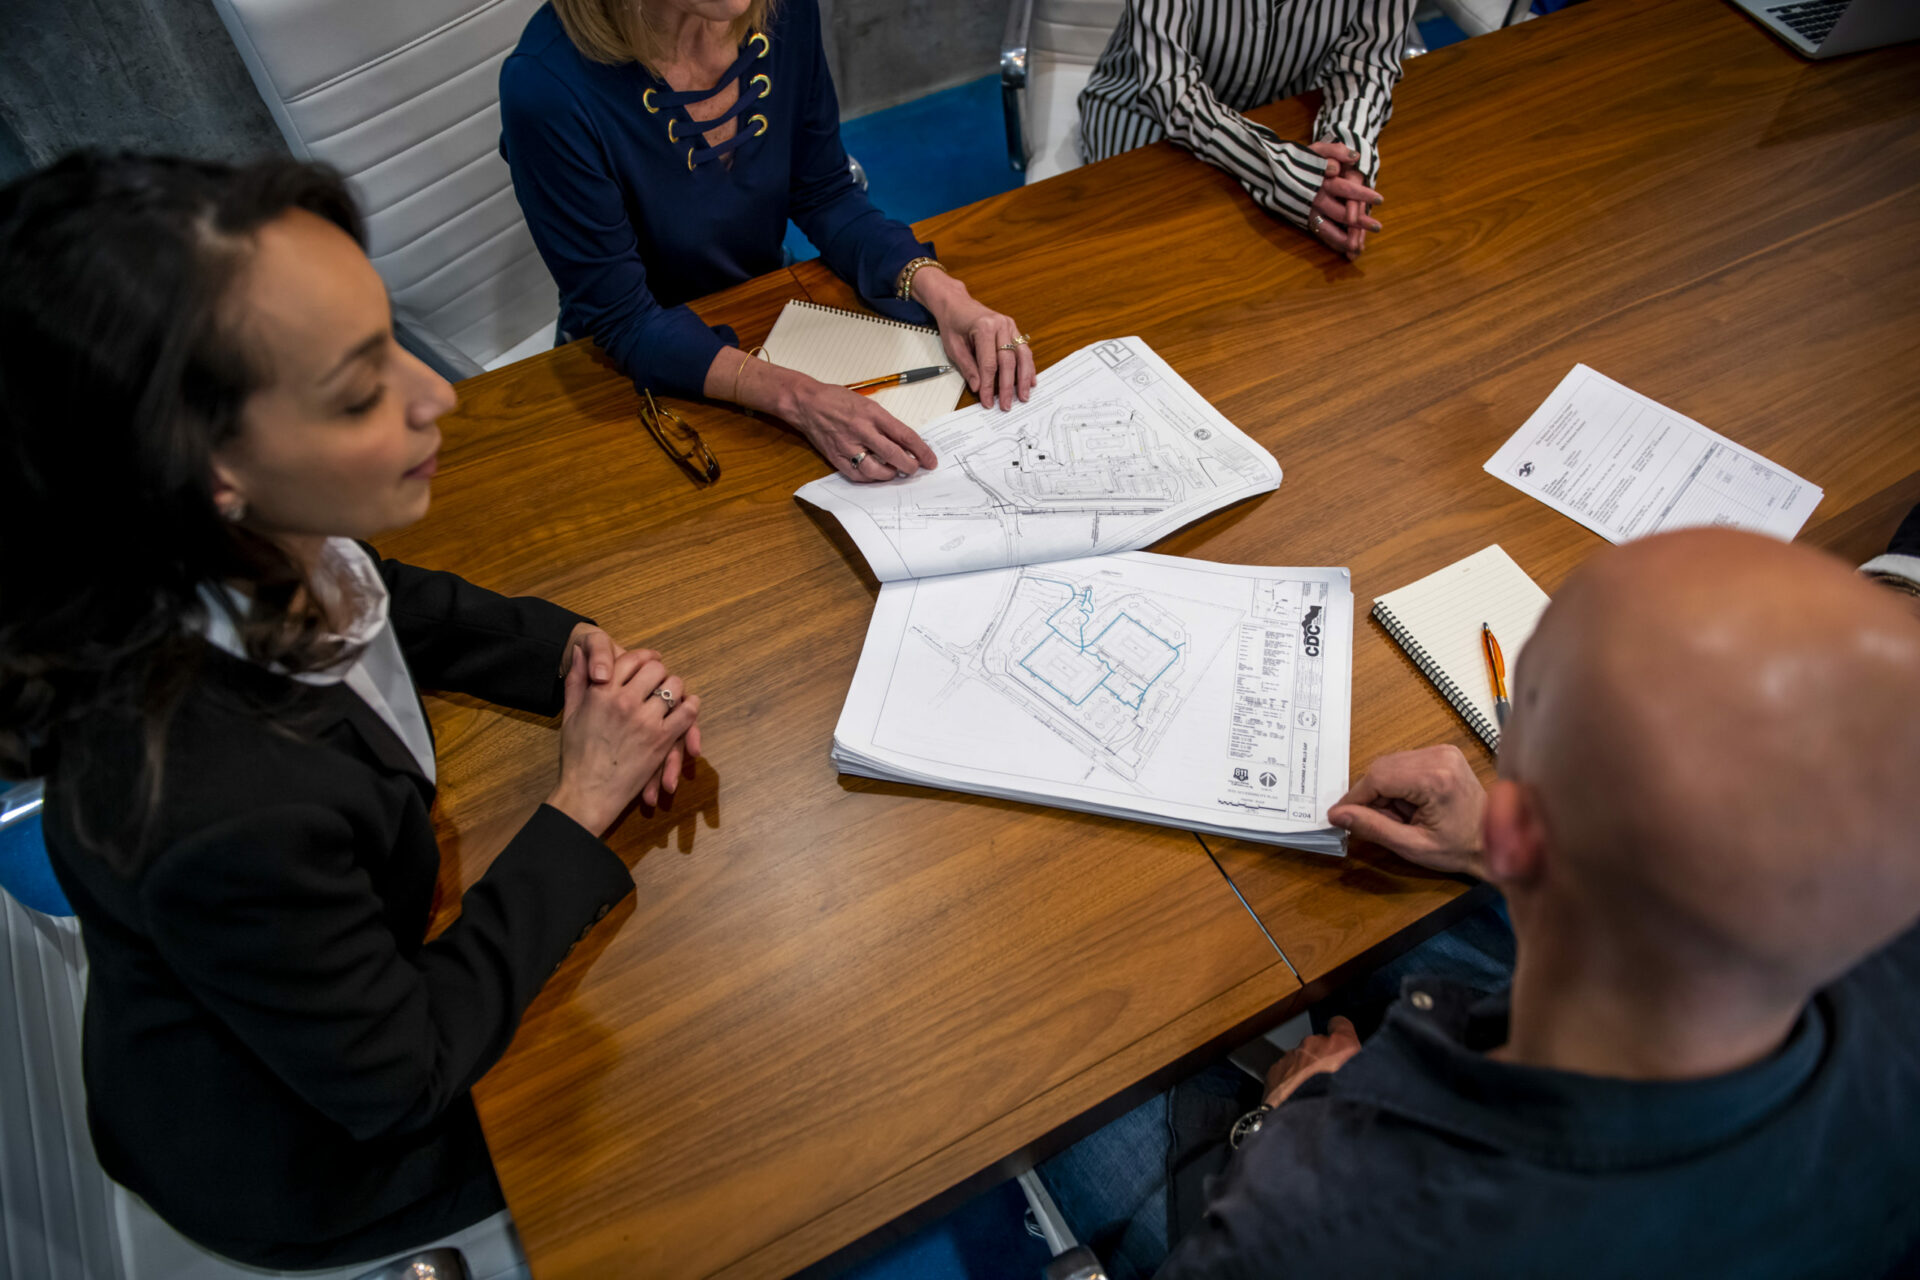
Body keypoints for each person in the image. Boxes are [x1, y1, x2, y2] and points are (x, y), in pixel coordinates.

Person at [0, 152, 703, 1272]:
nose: (440, 394)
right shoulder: (215, 803)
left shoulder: (233, 542)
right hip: (317, 1144)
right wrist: (581, 800)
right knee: (705, 1071)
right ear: (209, 468)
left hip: (314, 987)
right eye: (362, 386)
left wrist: (573, 654)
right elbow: (402, 1068)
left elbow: (387, 600)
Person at [1041, 528, 1920, 1278]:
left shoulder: (1312, 1223)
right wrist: (1498, 861)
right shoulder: (1888, 976)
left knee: (1073, 1091)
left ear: (1519, 825)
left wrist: (1280, 1125)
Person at [499, 0, 1035, 484]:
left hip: (766, 316)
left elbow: (824, 193)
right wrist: (800, 399)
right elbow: (625, 320)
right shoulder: (546, 86)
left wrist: (945, 294)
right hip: (635, 373)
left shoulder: (782, 10)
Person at [1078, 0, 1414, 259]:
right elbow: (1171, 89)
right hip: (1146, 115)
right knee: (1157, 261)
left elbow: (1367, 64)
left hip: (1280, 120)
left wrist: (1346, 157)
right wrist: (1288, 174)